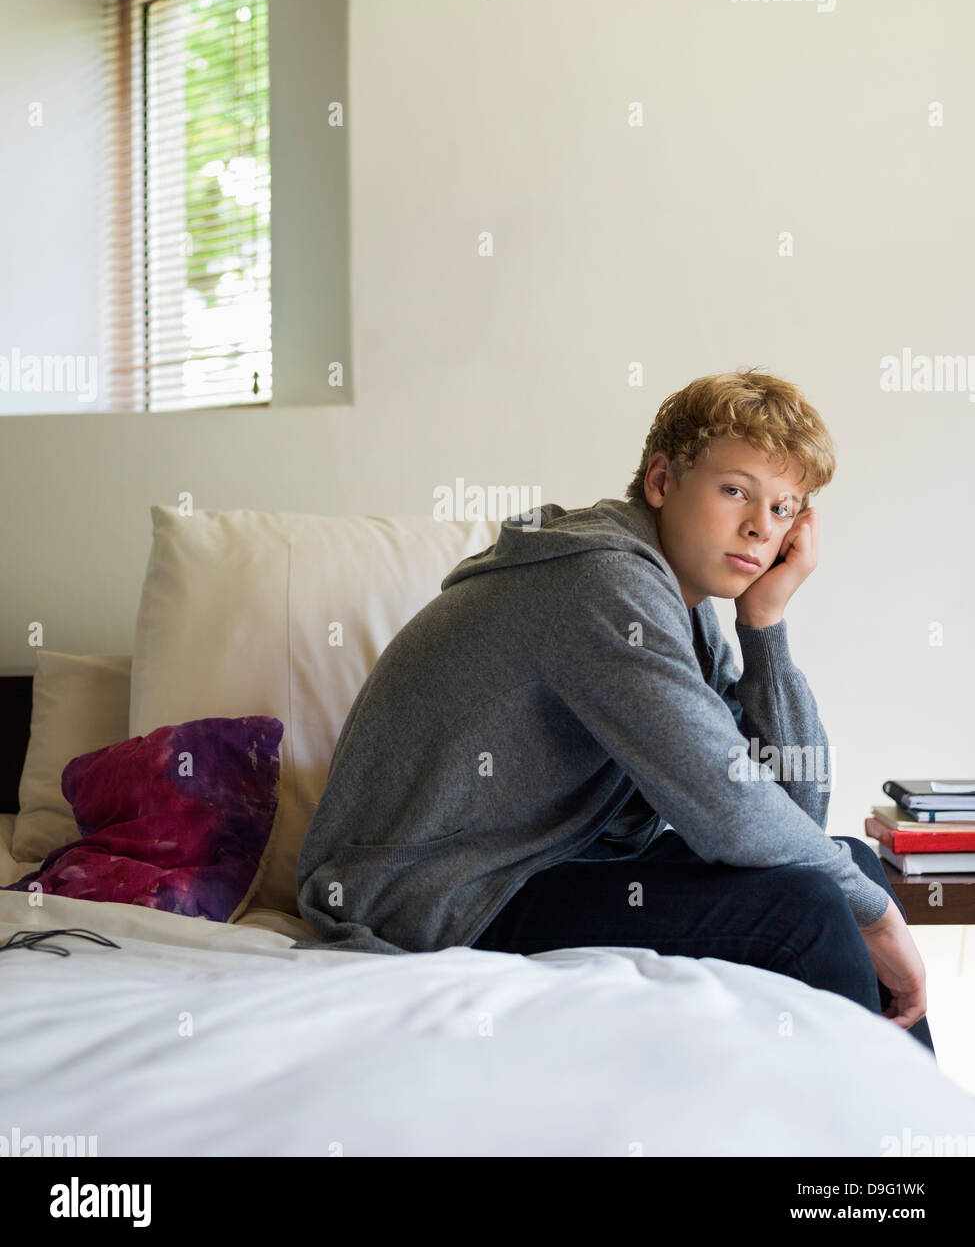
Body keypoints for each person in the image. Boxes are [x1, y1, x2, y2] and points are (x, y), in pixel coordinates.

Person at [296, 366, 933, 1054]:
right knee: (812, 909)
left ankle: (897, 1109)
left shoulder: (683, 606)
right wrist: (875, 917)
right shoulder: (603, 582)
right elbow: (733, 812)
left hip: (537, 866)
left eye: (784, 509)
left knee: (848, 867)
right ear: (660, 480)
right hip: (429, 892)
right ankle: (886, 1115)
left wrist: (765, 627)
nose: (759, 528)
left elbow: (791, 814)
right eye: (734, 491)